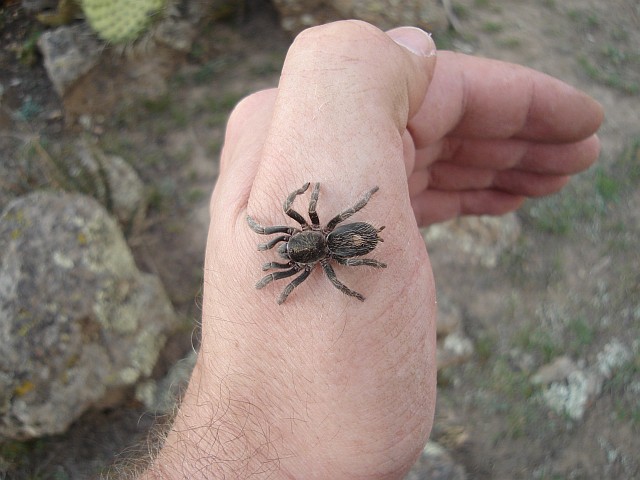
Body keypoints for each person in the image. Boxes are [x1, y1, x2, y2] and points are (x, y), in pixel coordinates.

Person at [139, 21, 603, 479]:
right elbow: (294, 218)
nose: (288, 251)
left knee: (331, 250)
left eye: (290, 247)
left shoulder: (322, 254)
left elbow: (316, 240)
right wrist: (289, 255)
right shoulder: (308, 240)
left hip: (344, 238)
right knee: (322, 243)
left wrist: (349, 268)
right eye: (288, 248)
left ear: (304, 242)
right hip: (341, 237)